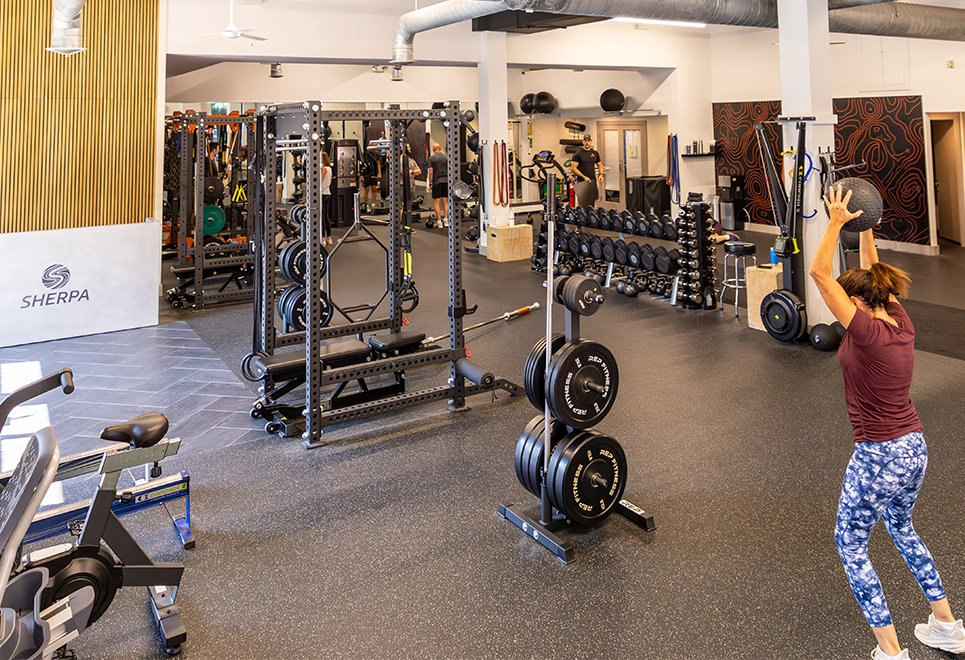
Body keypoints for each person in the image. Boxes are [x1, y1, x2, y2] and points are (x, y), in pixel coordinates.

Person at [809, 184, 965, 660]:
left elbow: (818, 273)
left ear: (857, 303)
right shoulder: (899, 318)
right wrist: (866, 225)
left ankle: (891, 653)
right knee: (901, 527)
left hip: (879, 453)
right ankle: (947, 626)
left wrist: (835, 222)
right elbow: (871, 268)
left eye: (847, 299)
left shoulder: (867, 332)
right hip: (914, 448)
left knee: (850, 543)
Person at [570, 133, 603, 208]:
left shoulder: (595, 153)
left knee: (593, 200)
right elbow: (573, 168)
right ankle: (582, 217)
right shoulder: (578, 154)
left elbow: (600, 164)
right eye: (585, 141)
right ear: (583, 142)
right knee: (583, 202)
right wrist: (584, 177)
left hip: (592, 181)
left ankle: (592, 216)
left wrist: (601, 174)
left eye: (588, 140)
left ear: (591, 141)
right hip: (582, 182)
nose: (587, 142)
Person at [427, 143, 449, 229]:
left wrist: (430, 183)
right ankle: (446, 220)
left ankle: (439, 222)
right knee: (445, 201)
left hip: (437, 181)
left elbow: (431, 172)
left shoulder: (432, 158)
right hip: (446, 181)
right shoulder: (446, 157)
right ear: (440, 148)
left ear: (433, 149)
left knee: (436, 202)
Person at [320, 152, 333, 246]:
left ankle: (323, 239)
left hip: (322, 194)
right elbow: (330, 181)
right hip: (327, 193)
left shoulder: (324, 169)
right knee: (326, 216)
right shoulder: (330, 169)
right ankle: (329, 238)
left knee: (322, 217)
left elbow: (319, 181)